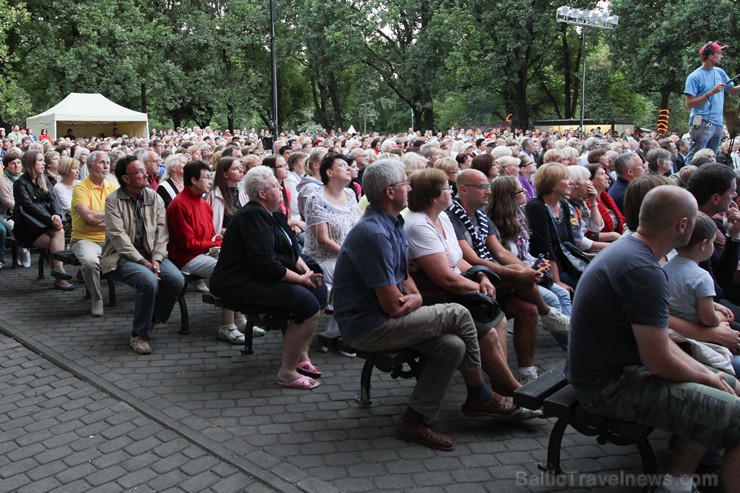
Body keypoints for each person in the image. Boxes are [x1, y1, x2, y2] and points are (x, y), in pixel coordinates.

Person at [333, 159, 518, 452]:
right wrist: (412, 297)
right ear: (390, 192)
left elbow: (403, 271)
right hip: (368, 326)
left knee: (452, 346)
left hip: (384, 316)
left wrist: (415, 295)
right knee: (458, 313)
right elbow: (393, 307)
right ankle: (480, 395)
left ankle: (414, 420)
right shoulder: (375, 233)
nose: (410, 188)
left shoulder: (391, 221)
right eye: (405, 184)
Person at [567, 186, 740, 493]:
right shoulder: (643, 269)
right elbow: (658, 360)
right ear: (682, 225)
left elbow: (663, 345)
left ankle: (677, 482)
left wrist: (712, 376)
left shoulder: (632, 252)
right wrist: (707, 378)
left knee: (726, 383)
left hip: (608, 373)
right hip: (608, 386)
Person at [405, 168, 541, 417]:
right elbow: (444, 278)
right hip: (432, 294)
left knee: (496, 316)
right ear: (434, 196)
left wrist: (480, 274)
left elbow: (459, 261)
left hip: (455, 285)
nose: (452, 191)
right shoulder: (418, 225)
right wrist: (478, 287)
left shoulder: (442, 216)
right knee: (487, 328)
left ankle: (501, 387)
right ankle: (511, 391)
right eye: (447, 188)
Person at [209, 166, 327, 390]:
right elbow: (265, 265)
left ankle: (301, 355)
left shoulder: (274, 213)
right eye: (275, 186)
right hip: (239, 282)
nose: (281, 188)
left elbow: (292, 250)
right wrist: (301, 280)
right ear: (261, 193)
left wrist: (304, 271)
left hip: (262, 274)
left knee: (320, 290)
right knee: (307, 304)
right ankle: (287, 372)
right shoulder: (252, 216)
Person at [448, 169, 570, 380]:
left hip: (490, 275)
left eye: (488, 186)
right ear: (464, 190)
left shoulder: (481, 216)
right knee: (518, 275)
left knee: (528, 309)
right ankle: (548, 313)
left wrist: (526, 269)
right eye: (483, 187)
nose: (488, 191)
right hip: (472, 277)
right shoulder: (453, 217)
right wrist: (520, 272)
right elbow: (472, 259)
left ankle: (527, 371)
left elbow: (500, 252)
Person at [101, 156, 186, 355]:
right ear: (125, 178)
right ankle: (139, 335)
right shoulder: (113, 200)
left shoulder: (154, 197)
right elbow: (118, 238)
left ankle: (151, 319)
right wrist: (144, 262)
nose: (145, 174)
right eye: (138, 172)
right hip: (121, 256)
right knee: (148, 281)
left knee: (176, 280)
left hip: (151, 254)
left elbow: (162, 232)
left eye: (143, 170)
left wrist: (156, 259)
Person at [166, 160, 247, 345]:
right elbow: (188, 245)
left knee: (241, 263)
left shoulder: (204, 205)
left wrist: (219, 242)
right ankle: (227, 325)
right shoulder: (179, 205)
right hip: (185, 258)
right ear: (193, 180)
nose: (210, 181)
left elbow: (211, 235)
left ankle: (240, 319)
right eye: (206, 177)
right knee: (229, 270)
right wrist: (216, 243)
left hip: (202, 252)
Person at [302, 153, 361, 357]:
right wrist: (351, 256)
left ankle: (338, 333)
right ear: (329, 172)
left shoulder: (351, 194)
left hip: (347, 254)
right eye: (342, 165)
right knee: (356, 277)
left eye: (349, 165)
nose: (349, 168)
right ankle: (341, 335)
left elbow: (357, 228)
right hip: (321, 259)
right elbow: (323, 241)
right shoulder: (316, 198)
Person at [12, 150, 73, 288]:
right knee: (58, 236)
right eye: (40, 160)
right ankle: (59, 274)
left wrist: (56, 215)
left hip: (46, 223)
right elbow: (29, 207)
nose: (43, 163)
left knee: (59, 233)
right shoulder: (20, 184)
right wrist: (51, 220)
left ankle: (59, 274)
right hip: (28, 227)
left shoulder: (43, 179)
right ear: (30, 163)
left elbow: (53, 200)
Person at [71, 151, 118, 317]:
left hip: (110, 239)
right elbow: (88, 217)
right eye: (102, 162)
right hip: (85, 238)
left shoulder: (113, 187)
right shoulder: (81, 189)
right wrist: (110, 216)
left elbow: (123, 216)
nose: (106, 166)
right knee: (90, 263)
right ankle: (96, 298)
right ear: (90, 166)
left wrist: (99, 217)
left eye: (107, 162)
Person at [525, 163, 579, 291]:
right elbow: (545, 247)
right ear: (552, 184)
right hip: (549, 269)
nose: (571, 181)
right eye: (566, 178)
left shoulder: (563, 204)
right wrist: (557, 281)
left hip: (566, 264)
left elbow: (570, 241)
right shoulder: (537, 206)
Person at [684, 41, 740, 165]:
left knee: (711, 159)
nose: (722, 56)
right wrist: (711, 92)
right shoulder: (694, 77)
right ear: (710, 56)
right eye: (719, 53)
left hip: (717, 123)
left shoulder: (720, 72)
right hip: (701, 122)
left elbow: (734, 91)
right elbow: (689, 104)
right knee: (696, 157)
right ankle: (687, 181)